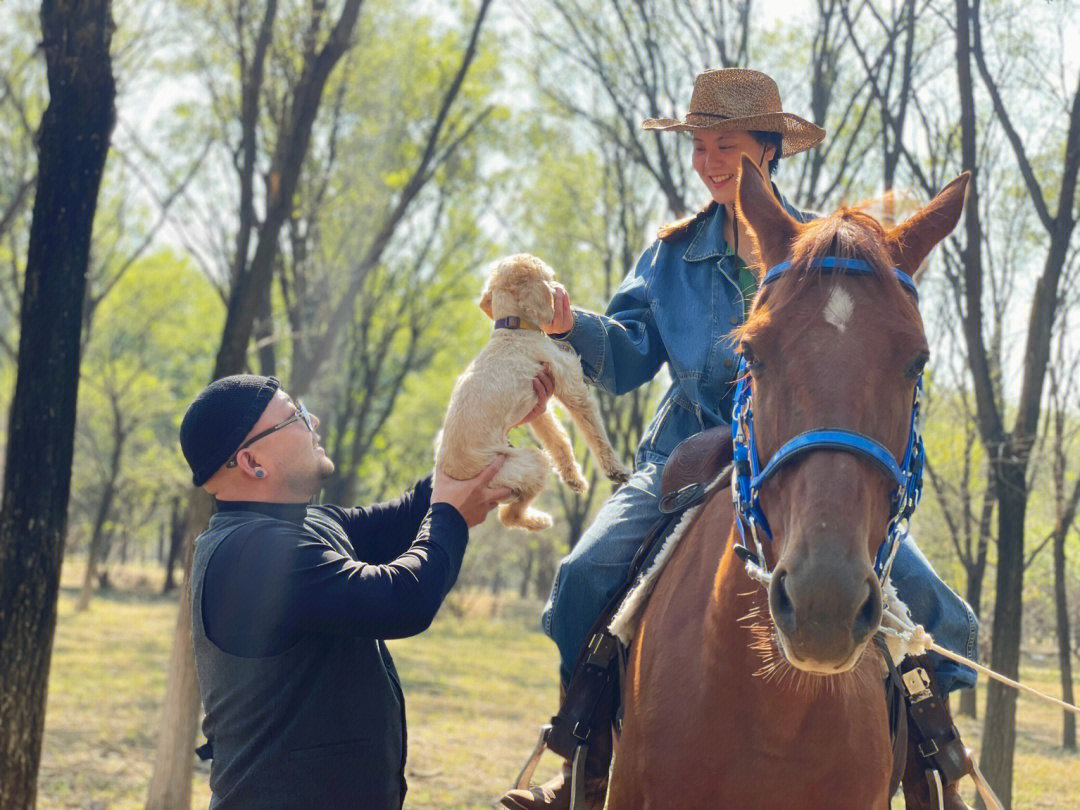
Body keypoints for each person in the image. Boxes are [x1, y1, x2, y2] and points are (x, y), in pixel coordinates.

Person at [500, 68, 978, 810]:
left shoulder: (827, 250)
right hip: (684, 456)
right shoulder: (668, 255)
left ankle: (938, 771)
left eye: (725, 146)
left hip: (803, 462)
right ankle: (581, 757)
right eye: (699, 146)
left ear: (767, 151)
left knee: (944, 615)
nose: (708, 161)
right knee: (583, 576)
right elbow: (628, 358)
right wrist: (572, 327)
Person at [179, 370, 551, 809]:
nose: (312, 420)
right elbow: (402, 600)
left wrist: (494, 421)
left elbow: (413, 512)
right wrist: (450, 516)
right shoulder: (249, 555)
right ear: (252, 462)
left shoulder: (308, 525)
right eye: (294, 415)